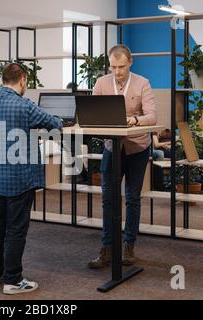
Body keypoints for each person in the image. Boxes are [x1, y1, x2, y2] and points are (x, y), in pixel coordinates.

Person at [0, 63, 63, 295]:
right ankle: (13, 280)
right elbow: (54, 123)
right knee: (16, 228)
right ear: (23, 80)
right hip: (18, 179)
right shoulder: (24, 105)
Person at [88, 45, 157, 268]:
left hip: (137, 148)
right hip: (112, 147)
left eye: (121, 66)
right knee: (108, 199)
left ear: (130, 63)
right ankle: (107, 248)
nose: (117, 71)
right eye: (113, 67)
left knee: (132, 198)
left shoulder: (142, 82)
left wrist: (134, 120)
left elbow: (152, 116)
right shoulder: (101, 83)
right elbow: (91, 111)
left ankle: (129, 246)